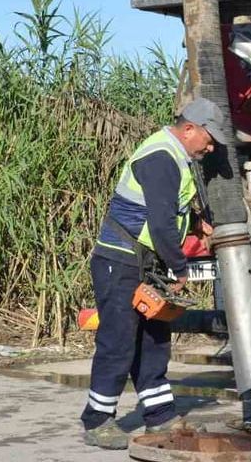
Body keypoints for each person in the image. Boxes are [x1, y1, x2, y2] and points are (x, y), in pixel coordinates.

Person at [79, 98, 228, 449]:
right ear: (188, 128)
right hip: (121, 261)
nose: (210, 147)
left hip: (143, 262)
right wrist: (179, 268)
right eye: (208, 139)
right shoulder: (161, 157)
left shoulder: (175, 157)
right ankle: (97, 419)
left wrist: (194, 223)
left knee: (154, 340)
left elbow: (164, 211)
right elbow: (160, 223)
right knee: (119, 341)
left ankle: (160, 415)